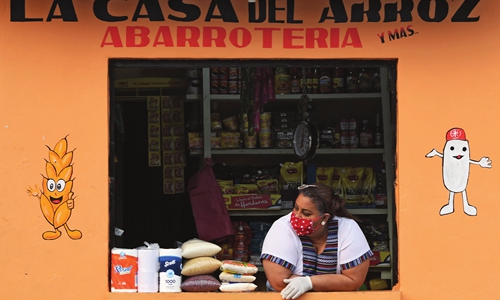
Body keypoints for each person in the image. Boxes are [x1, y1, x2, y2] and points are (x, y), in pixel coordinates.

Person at [260, 183, 373, 299]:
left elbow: (354, 280)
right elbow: (280, 282)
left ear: (324, 218)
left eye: (306, 213)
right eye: (296, 208)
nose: (297, 216)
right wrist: (335, 282)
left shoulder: (347, 228)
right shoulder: (283, 228)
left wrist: (309, 283)